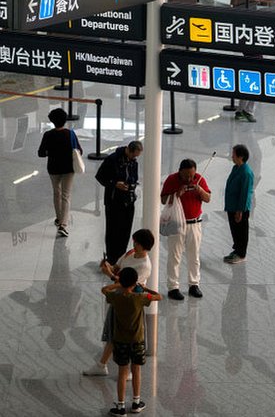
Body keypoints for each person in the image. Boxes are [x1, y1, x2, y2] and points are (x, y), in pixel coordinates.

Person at [83, 229, 155, 377]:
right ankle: (103, 365)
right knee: (114, 333)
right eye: (134, 241)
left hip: (130, 305)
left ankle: (114, 367)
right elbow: (117, 269)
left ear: (144, 246)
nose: (134, 244)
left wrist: (109, 275)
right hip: (119, 299)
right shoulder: (130, 253)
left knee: (124, 335)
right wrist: (108, 266)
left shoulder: (144, 265)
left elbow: (128, 284)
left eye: (137, 243)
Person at [101, 267, 162, 416]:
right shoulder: (140, 297)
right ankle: (136, 402)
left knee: (122, 372)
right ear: (134, 282)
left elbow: (104, 289)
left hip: (120, 340)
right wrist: (145, 288)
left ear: (121, 281)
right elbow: (159, 296)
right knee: (136, 370)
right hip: (137, 341)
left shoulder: (115, 297)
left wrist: (117, 284)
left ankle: (121, 407)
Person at [161, 158, 211, 300]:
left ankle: (194, 284)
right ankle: (173, 287)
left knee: (193, 255)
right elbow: (163, 200)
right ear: (180, 172)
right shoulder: (172, 179)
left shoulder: (199, 179)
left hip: (194, 223)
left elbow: (208, 198)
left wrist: (200, 190)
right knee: (174, 255)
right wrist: (177, 193)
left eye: (192, 175)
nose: (189, 179)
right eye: (186, 176)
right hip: (176, 222)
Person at [95, 141, 142, 265]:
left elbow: (134, 177)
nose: (134, 158)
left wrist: (132, 184)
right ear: (128, 150)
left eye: (136, 156)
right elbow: (100, 176)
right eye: (133, 155)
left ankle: (121, 258)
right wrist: (115, 184)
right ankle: (111, 259)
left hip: (129, 200)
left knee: (125, 231)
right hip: (114, 201)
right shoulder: (112, 159)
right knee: (113, 230)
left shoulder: (133, 162)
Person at [37, 108, 81, 237]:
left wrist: (51, 152)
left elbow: (41, 153)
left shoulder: (48, 135)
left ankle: (58, 218)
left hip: (53, 168)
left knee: (57, 192)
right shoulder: (70, 134)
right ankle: (63, 224)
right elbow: (79, 150)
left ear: (52, 121)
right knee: (66, 195)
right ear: (65, 120)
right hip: (68, 168)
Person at [223, 144, 254, 265]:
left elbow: (245, 193)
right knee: (235, 230)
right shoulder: (236, 168)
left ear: (241, 156)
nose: (232, 156)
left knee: (241, 231)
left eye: (234, 154)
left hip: (239, 208)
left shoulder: (246, 173)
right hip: (232, 205)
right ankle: (236, 250)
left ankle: (241, 254)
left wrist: (240, 211)